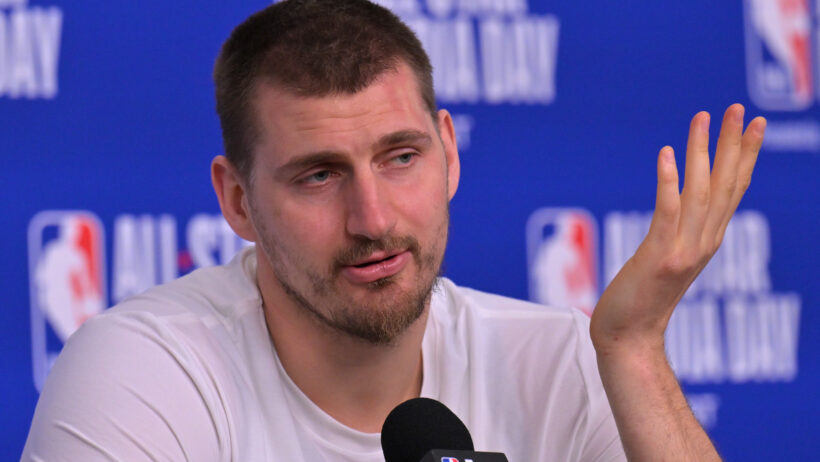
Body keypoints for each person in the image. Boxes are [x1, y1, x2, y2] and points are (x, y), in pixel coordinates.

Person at [22, 0, 766, 460]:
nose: (373, 220)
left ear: (449, 151)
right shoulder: (145, 371)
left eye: (400, 157)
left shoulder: (562, 360)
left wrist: (633, 353)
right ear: (238, 200)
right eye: (319, 175)